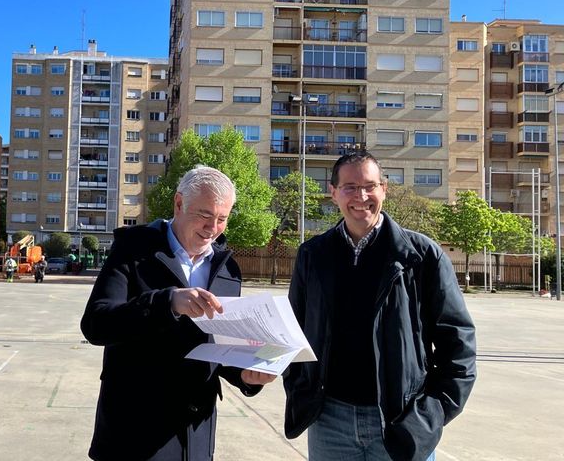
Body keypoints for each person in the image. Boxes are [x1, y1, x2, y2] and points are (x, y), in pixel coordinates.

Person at [283, 151, 477, 461]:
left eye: (370, 186)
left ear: (384, 189)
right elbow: (293, 333)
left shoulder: (422, 255)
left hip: (401, 422)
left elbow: (458, 344)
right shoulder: (313, 254)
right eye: (349, 187)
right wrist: (300, 390)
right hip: (329, 422)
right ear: (333, 193)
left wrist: (430, 414)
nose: (361, 196)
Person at [81, 165, 275, 461]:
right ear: (179, 203)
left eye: (222, 218)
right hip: (133, 430)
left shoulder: (227, 271)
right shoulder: (133, 248)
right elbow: (97, 323)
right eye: (205, 215)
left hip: (194, 434)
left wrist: (247, 376)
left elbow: (219, 349)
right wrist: (167, 302)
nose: (213, 227)